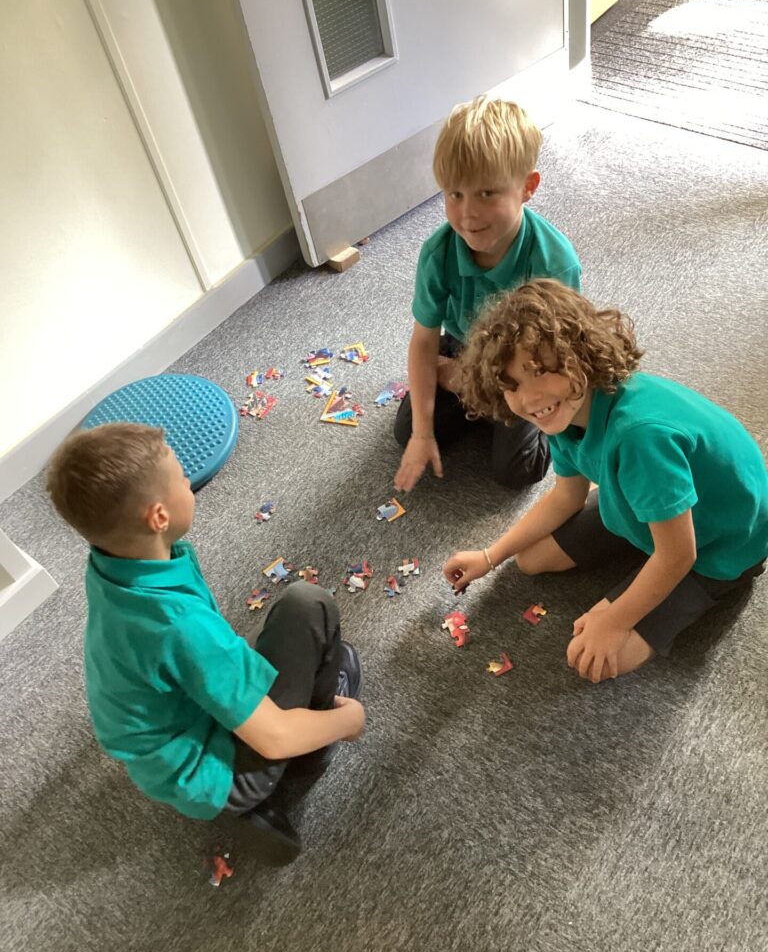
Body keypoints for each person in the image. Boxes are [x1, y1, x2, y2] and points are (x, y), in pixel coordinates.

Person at [46, 423, 365, 860]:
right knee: (309, 605)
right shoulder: (178, 624)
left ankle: (248, 797)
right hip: (216, 772)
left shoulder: (112, 565)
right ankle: (288, 771)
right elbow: (274, 738)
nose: (188, 481)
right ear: (159, 517)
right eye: (181, 476)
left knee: (273, 636)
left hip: (168, 754)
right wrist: (347, 722)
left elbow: (186, 651)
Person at [443, 279, 767, 682]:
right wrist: (491, 556)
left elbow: (678, 555)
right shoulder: (562, 413)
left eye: (542, 371)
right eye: (513, 386)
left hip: (720, 544)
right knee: (529, 559)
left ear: (581, 355)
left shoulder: (639, 437)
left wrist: (613, 621)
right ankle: (644, 520)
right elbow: (566, 497)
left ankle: (677, 557)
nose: (530, 399)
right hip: (645, 499)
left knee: (591, 659)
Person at [394, 95, 582, 493]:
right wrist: (423, 433)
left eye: (486, 194)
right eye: (454, 194)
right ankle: (478, 395)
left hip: (528, 363)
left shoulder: (555, 263)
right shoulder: (438, 253)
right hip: (464, 344)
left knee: (516, 471)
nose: (467, 214)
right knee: (407, 431)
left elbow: (560, 357)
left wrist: (472, 380)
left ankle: (478, 394)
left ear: (527, 187)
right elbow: (424, 340)